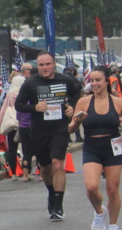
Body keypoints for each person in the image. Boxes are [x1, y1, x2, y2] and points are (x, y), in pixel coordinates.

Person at [68, 66, 122, 230]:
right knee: (91, 187)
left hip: (112, 147)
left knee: (112, 190)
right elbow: (71, 128)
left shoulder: (117, 102)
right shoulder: (84, 102)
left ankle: (113, 226)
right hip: (91, 146)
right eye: (92, 80)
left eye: (98, 80)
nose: (94, 84)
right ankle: (99, 212)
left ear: (106, 81)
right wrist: (77, 122)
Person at [15, 51, 80, 220]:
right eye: (41, 65)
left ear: (54, 64)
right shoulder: (30, 83)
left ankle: (58, 205)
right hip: (39, 131)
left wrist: (72, 108)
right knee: (45, 167)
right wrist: (34, 108)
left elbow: (76, 94)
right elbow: (19, 105)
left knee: (58, 164)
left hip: (59, 129)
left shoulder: (65, 80)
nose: (45, 68)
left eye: (48, 64)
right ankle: (52, 192)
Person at [0, 71, 24, 179]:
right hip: (24, 122)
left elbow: (3, 110)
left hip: (12, 123)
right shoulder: (24, 94)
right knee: (26, 147)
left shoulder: (10, 95)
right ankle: (27, 170)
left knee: (12, 148)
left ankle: (13, 172)